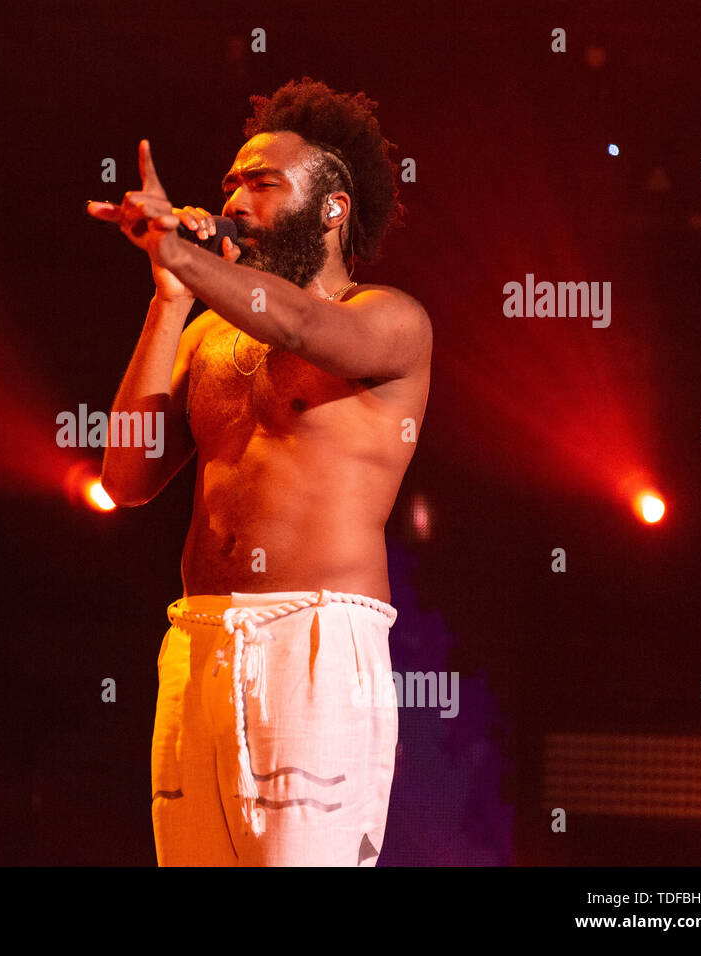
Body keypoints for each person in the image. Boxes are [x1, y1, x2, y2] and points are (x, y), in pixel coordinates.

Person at [88, 78, 431, 866]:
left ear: (333, 207)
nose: (236, 199)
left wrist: (180, 251)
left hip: (312, 641)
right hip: (199, 639)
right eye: (230, 183)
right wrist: (170, 296)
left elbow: (304, 324)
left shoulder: (389, 319)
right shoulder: (207, 331)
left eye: (264, 183)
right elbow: (126, 478)